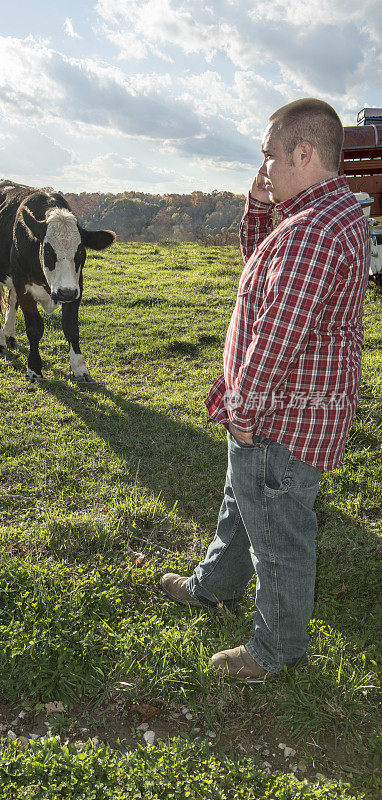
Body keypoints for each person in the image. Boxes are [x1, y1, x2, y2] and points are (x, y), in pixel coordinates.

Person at [160, 98, 371, 680]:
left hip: (280, 415)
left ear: (304, 153)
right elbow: (263, 266)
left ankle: (277, 650)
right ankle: (214, 588)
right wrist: (257, 208)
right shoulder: (325, 214)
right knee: (242, 503)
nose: (265, 168)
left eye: (271, 156)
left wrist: (243, 408)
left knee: (278, 533)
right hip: (286, 408)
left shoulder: (313, 233)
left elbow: (277, 334)